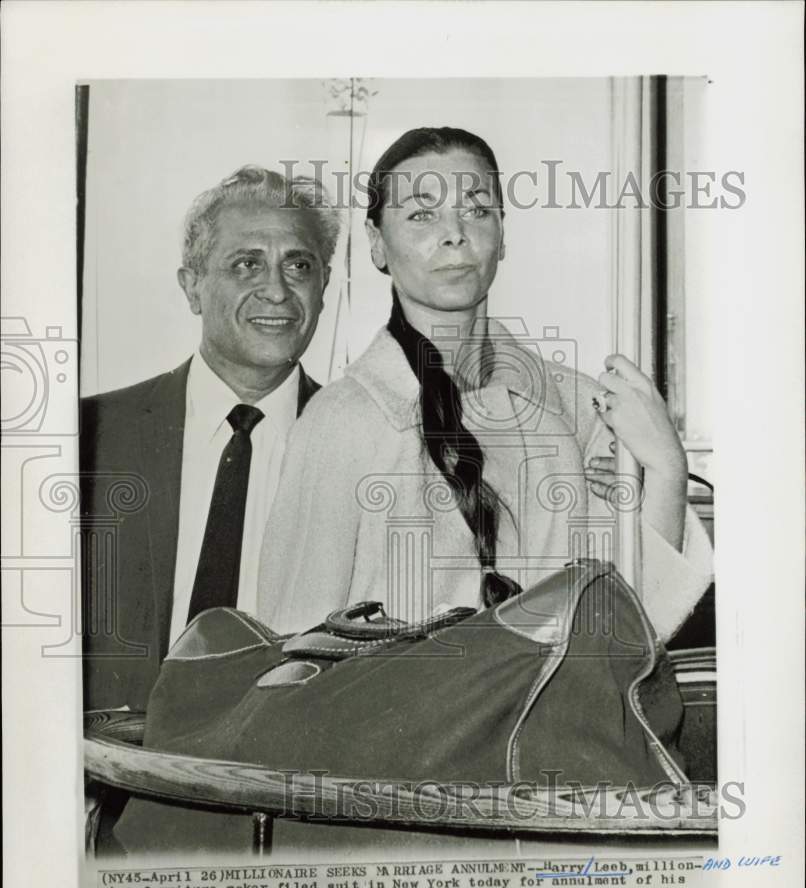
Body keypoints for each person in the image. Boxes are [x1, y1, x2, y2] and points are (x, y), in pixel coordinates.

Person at [257, 127, 712, 640]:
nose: (454, 233)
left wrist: (668, 467)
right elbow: (292, 650)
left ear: (502, 233)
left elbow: (634, 631)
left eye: (476, 209)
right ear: (377, 244)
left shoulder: (579, 406)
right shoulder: (339, 422)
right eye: (422, 214)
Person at [80, 166, 340, 711]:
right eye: (247, 264)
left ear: (324, 286)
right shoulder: (88, 437)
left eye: (299, 265)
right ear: (192, 286)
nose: (277, 289)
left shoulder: (362, 447)